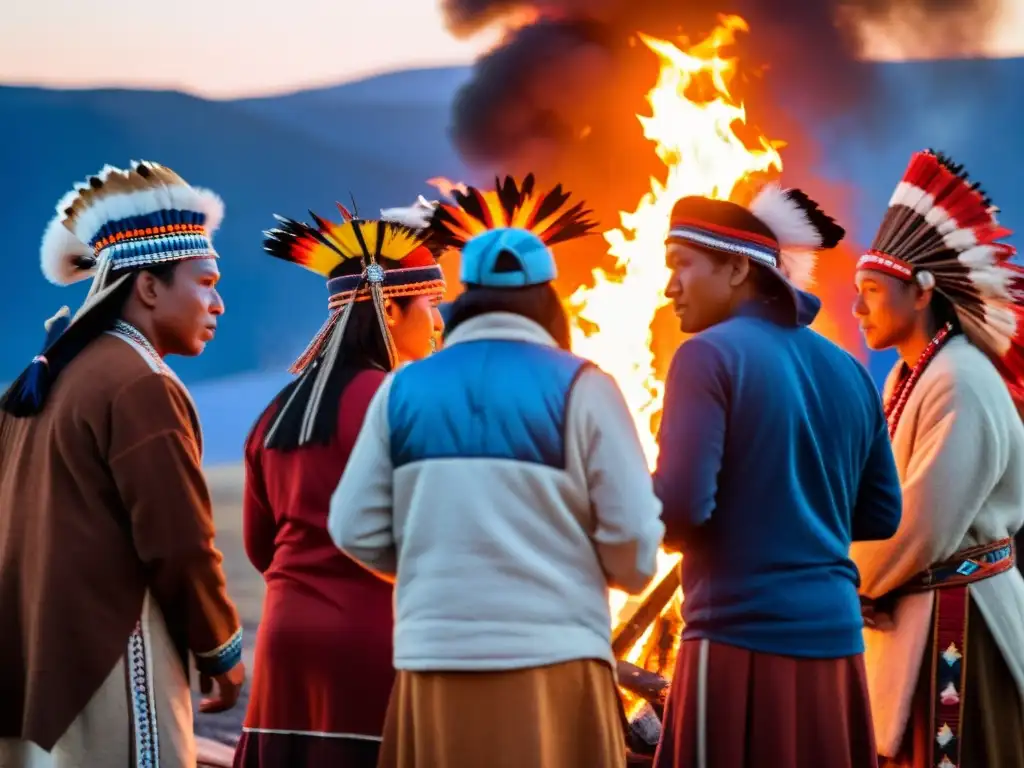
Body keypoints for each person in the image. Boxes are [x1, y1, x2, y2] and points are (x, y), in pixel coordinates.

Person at [328, 174, 666, 768]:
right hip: (559, 659)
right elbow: (637, 545)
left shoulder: (405, 390)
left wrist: (431, 573)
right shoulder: (587, 387)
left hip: (436, 660)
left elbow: (354, 526)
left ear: (464, 298)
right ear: (546, 299)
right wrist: (603, 577)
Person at [0, 161, 244, 767]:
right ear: (149, 287)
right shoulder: (139, 383)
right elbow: (179, 541)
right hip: (106, 664)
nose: (218, 303)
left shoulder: (53, 375)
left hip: (36, 665)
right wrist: (221, 648)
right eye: (205, 281)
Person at [651, 186, 903, 768]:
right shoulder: (848, 369)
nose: (669, 288)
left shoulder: (706, 356)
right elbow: (881, 514)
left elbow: (680, 509)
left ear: (738, 267)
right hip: (837, 646)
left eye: (681, 265)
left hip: (738, 641)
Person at [232, 196, 445, 768]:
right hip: (376, 638)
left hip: (285, 643)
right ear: (390, 311)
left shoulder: (274, 414)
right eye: (431, 303)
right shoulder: (404, 402)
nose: (440, 322)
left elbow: (259, 549)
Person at [850, 149, 1024, 768]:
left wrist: (848, 581)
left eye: (871, 290)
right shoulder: (908, 375)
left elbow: (921, 525)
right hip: (913, 615)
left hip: (960, 631)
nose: (858, 308)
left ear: (921, 292)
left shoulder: (961, 382)